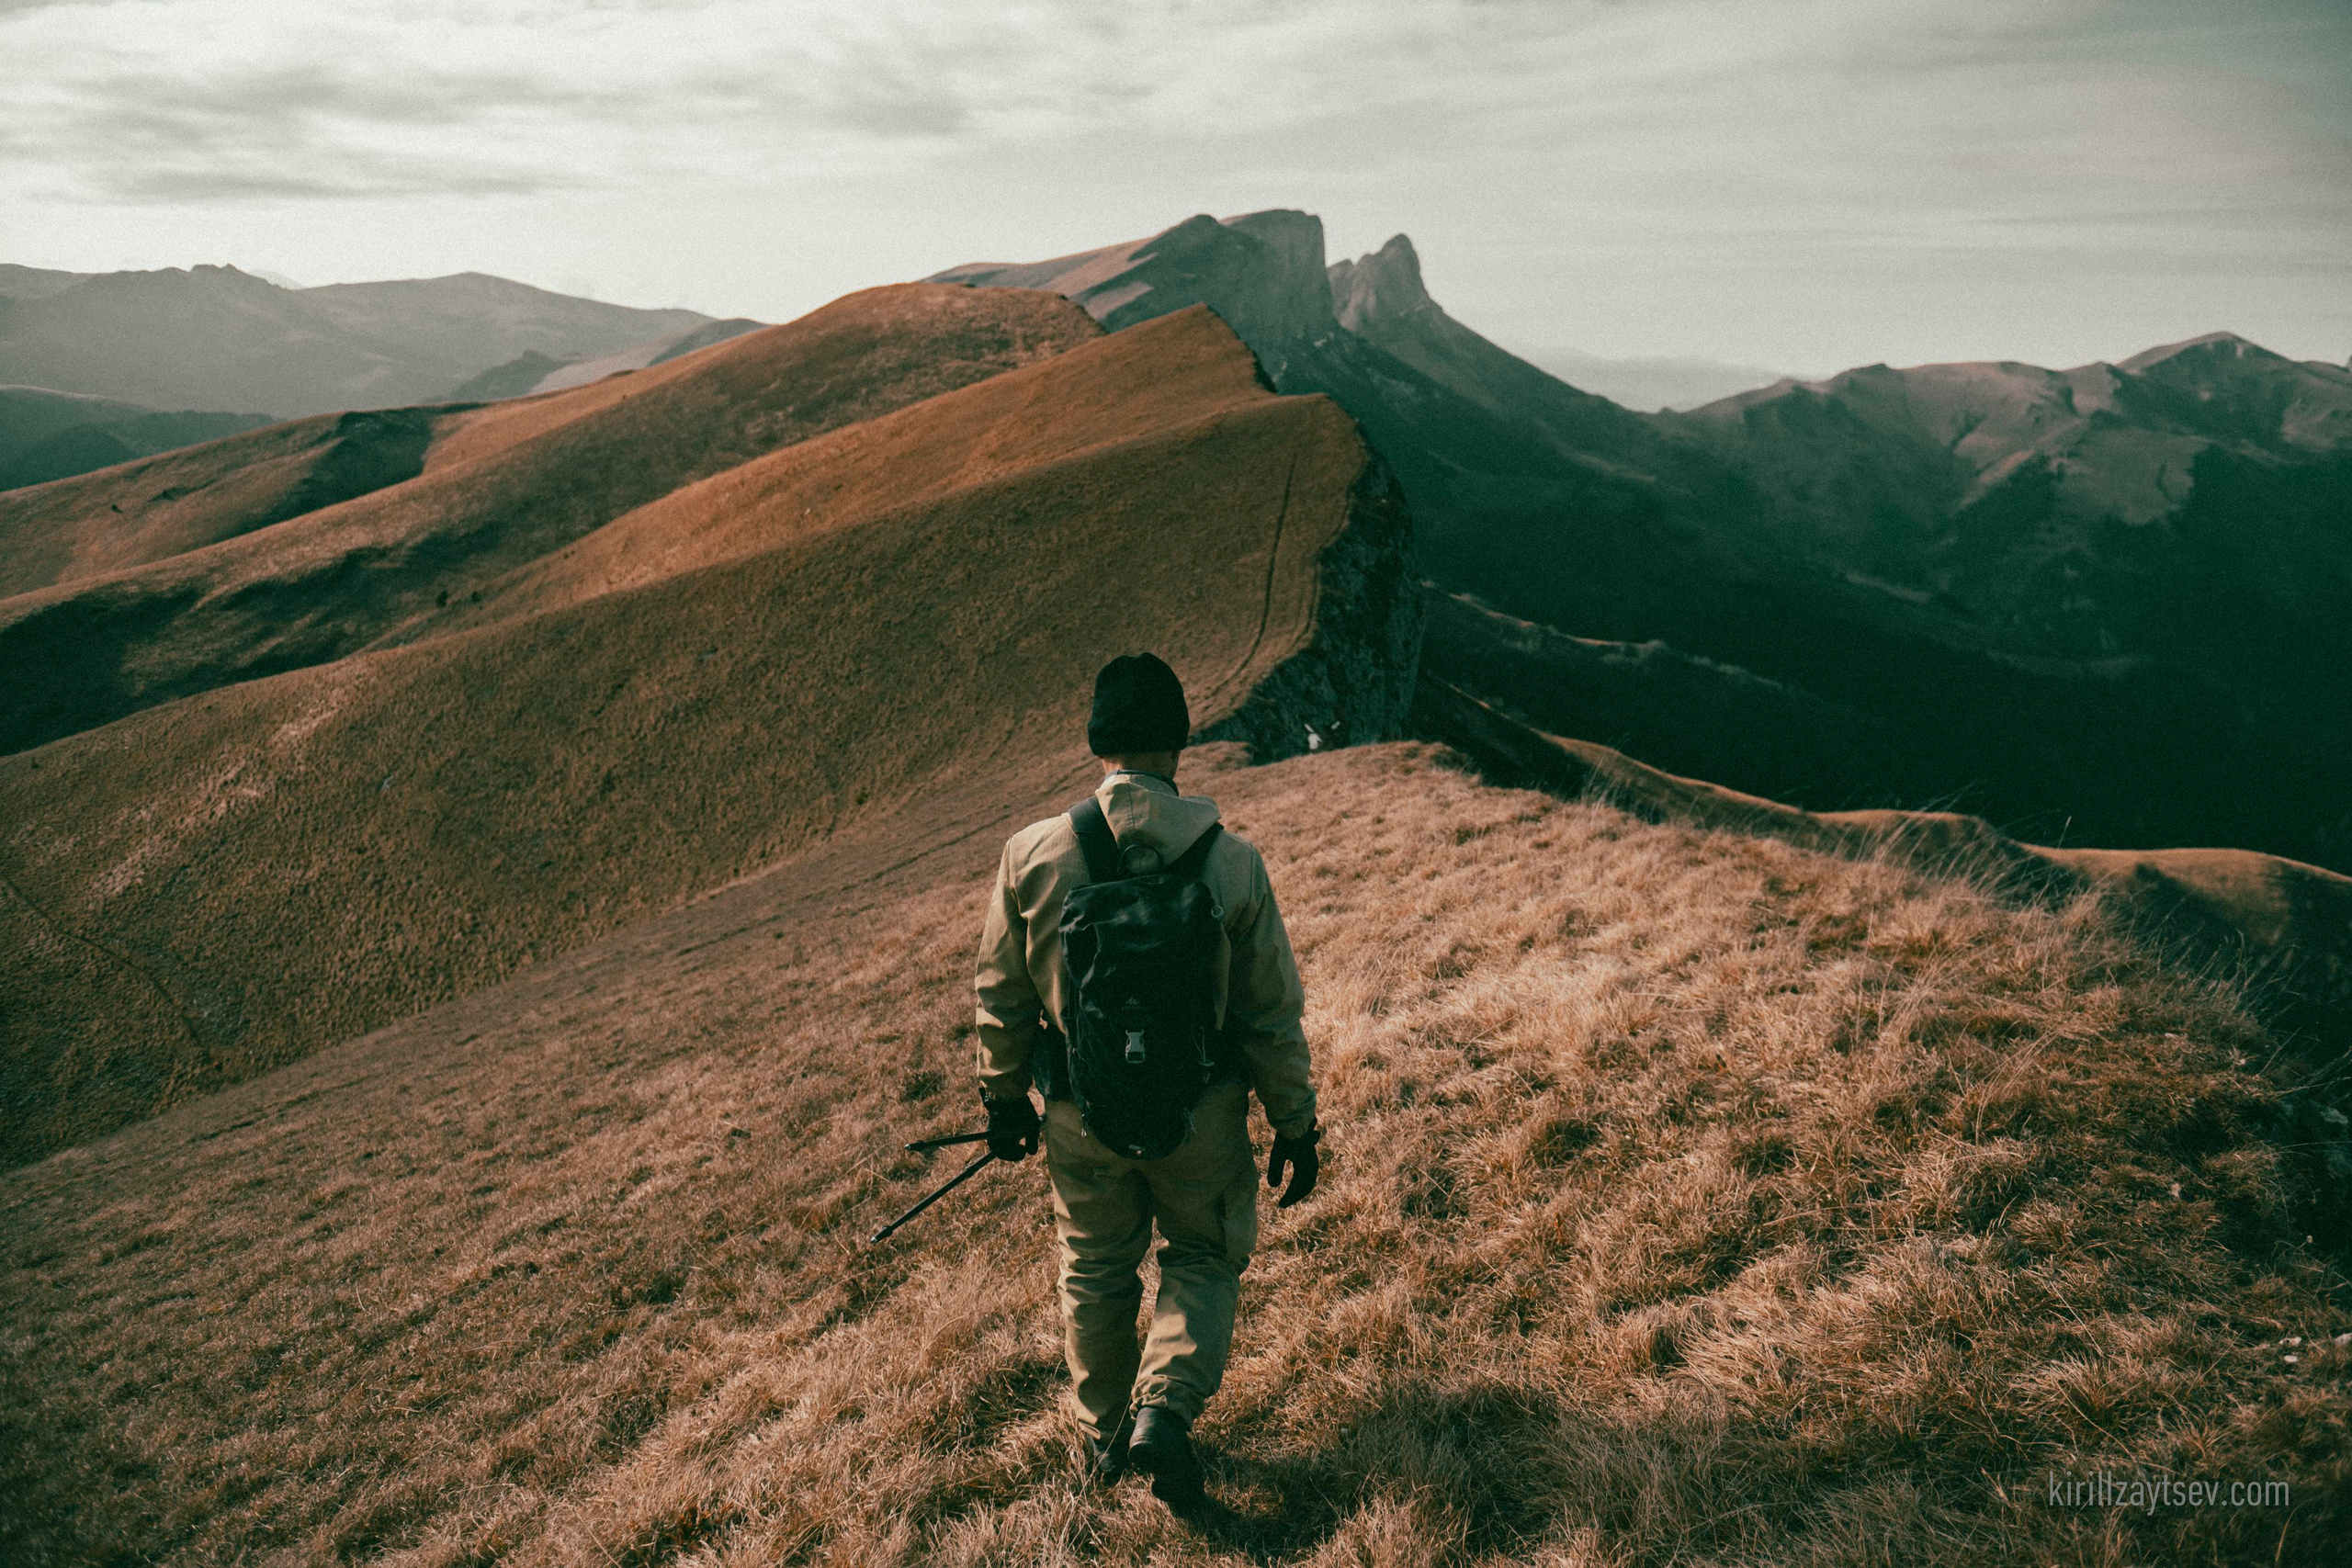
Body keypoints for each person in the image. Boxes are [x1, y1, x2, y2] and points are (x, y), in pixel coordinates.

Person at [973, 652, 1322, 1507]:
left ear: (1099, 743)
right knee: (1203, 1254)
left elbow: (1000, 990)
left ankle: (1101, 1439)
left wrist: (1001, 1097)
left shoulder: (1032, 855)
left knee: (1094, 1271)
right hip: (1198, 1113)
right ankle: (1164, 1410)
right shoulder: (1232, 863)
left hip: (1078, 1115)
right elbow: (1268, 1010)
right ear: (1180, 740)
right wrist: (1296, 1120)